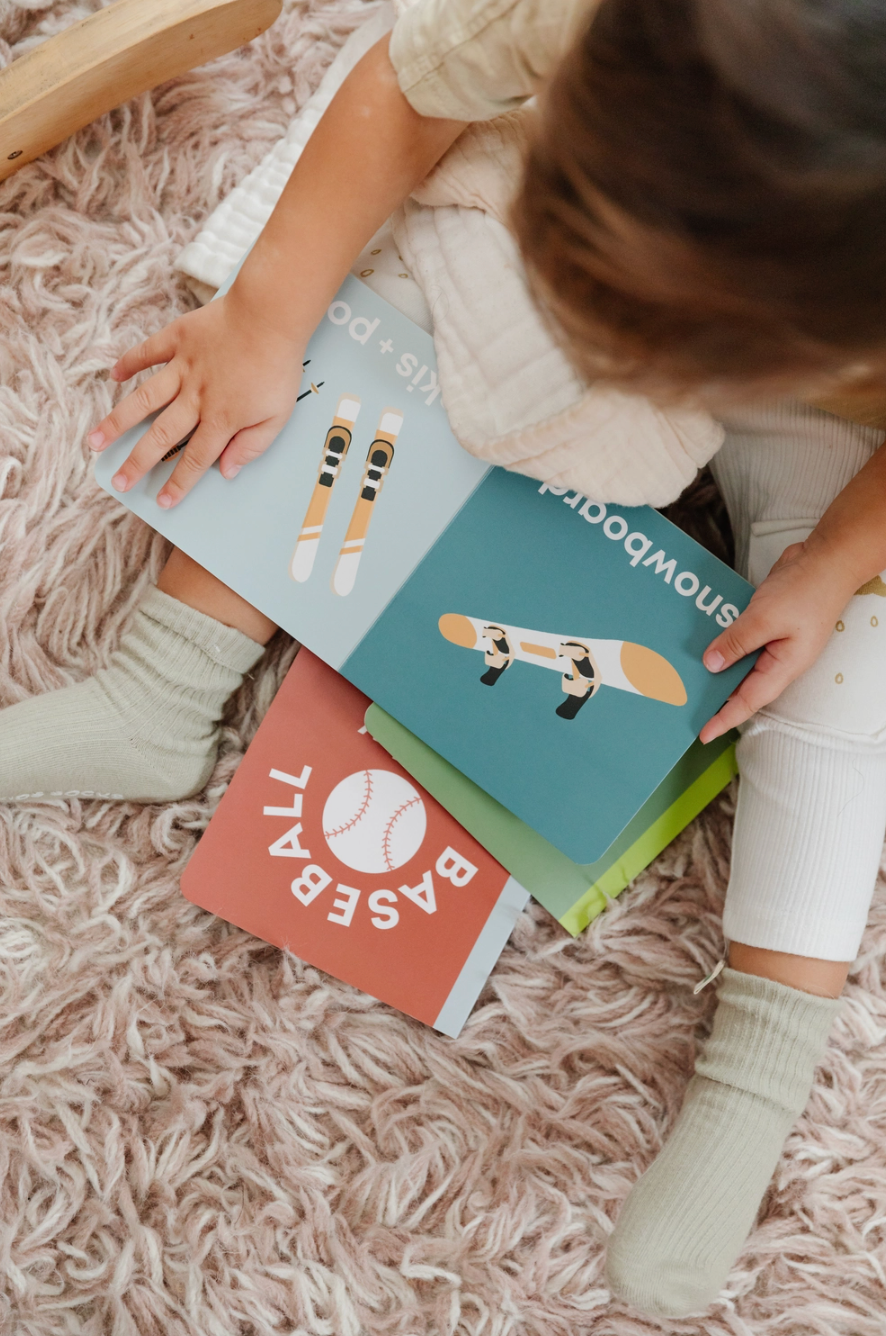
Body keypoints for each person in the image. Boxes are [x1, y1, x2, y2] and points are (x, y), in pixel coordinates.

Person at [3, 0, 886, 1317]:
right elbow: (404, 94)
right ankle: (162, 687)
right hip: (557, 223)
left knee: (849, 662)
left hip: (823, 400)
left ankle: (758, 1063)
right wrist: (263, 317)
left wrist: (825, 569)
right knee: (363, 301)